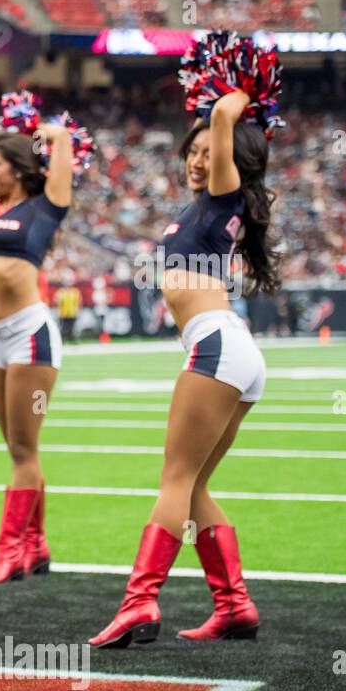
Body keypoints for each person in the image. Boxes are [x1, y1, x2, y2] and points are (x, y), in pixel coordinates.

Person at [89, 89, 275, 647]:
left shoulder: (224, 195)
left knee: (174, 478)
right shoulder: (202, 207)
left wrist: (244, 86)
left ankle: (140, 604)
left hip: (216, 345)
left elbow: (222, 113)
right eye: (190, 151)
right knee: (192, 487)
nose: (197, 158)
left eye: (207, 151)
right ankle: (234, 605)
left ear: (229, 160)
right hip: (231, 348)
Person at [0, 121, 75, 584]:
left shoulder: (44, 208)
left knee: (23, 450)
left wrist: (40, 130)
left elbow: (63, 145)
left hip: (29, 335)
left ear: (19, 169)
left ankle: (9, 552)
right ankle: (36, 545)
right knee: (16, 448)